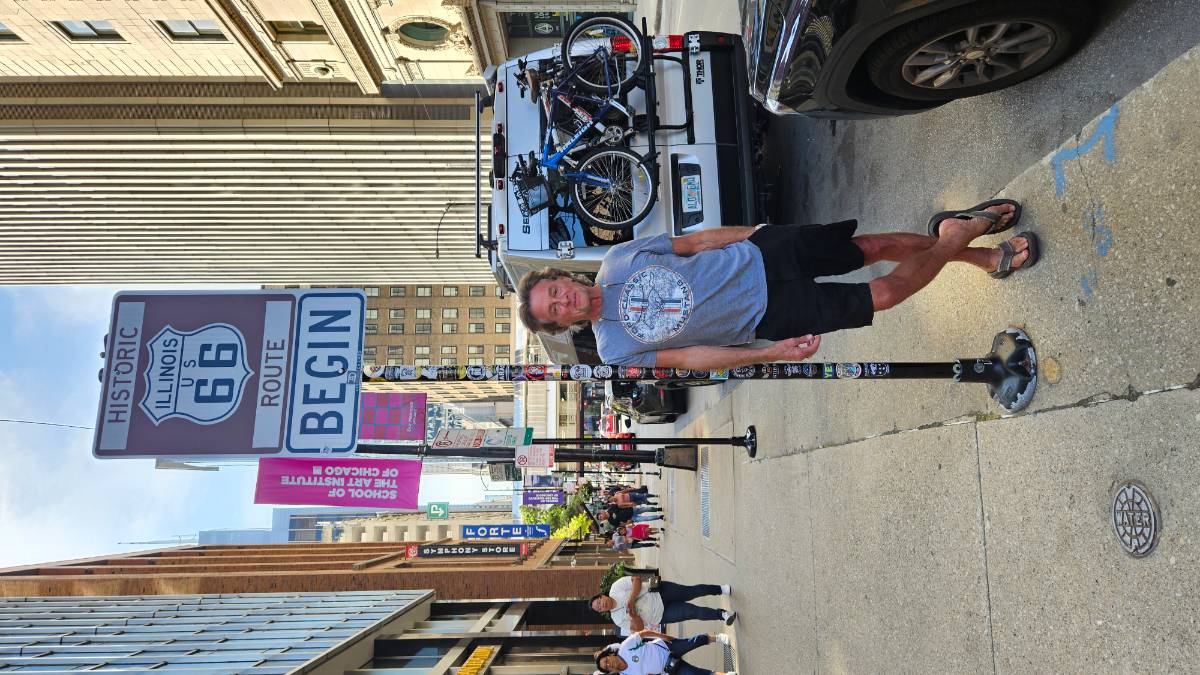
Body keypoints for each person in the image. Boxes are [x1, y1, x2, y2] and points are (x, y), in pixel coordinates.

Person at [517, 201, 1034, 367]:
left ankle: (982, 255)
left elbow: (696, 242)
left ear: (561, 277)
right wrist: (768, 354)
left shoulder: (618, 258)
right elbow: (691, 356)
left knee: (872, 247)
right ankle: (957, 235)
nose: (563, 299)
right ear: (561, 325)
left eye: (554, 290)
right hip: (770, 314)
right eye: (554, 309)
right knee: (883, 295)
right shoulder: (614, 349)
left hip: (762, 254)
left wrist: (757, 233)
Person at [591, 575, 735, 633]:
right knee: (693, 612)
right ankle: (723, 615)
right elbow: (639, 628)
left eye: (599, 602)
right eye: (599, 608)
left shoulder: (615, 588)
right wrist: (634, 616)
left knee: (692, 592)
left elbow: (636, 580)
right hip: (662, 615)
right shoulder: (617, 619)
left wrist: (632, 599)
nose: (601, 605)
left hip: (660, 592)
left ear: (602, 596)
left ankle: (720, 589)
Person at [595, 630, 736, 675]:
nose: (609, 665)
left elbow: (643, 633)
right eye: (606, 668)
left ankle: (718, 638)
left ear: (610, 654)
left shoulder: (625, 648)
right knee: (695, 674)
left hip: (666, 647)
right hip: (669, 667)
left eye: (606, 661)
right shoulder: (626, 674)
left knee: (693, 642)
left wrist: (664, 636)